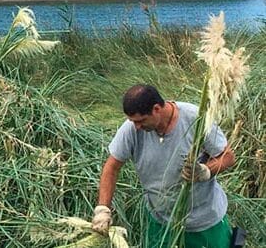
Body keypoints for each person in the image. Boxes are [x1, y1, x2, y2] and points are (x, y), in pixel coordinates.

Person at [92, 84, 236, 248]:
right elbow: (111, 168)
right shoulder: (131, 130)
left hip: (204, 220)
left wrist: (205, 171)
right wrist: (103, 208)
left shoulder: (195, 118)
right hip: (161, 221)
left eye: (141, 121)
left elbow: (228, 157)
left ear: (156, 109)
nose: (136, 127)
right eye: (132, 121)